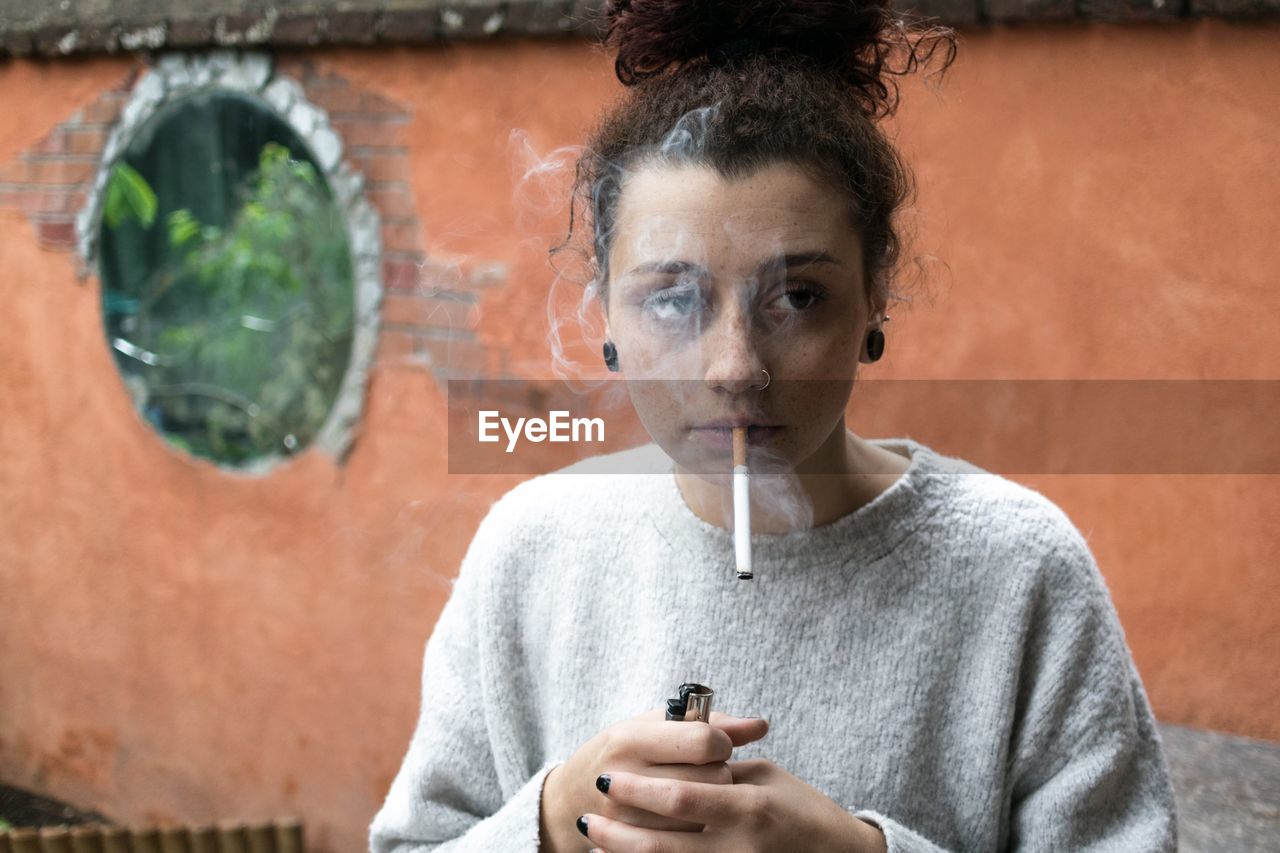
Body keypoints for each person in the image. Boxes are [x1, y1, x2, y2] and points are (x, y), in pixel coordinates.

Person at [368, 0, 1178, 850]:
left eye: (797, 296)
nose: (734, 365)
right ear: (604, 312)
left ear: (874, 296)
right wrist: (548, 822)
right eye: (673, 296)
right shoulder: (529, 550)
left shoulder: (1020, 570)